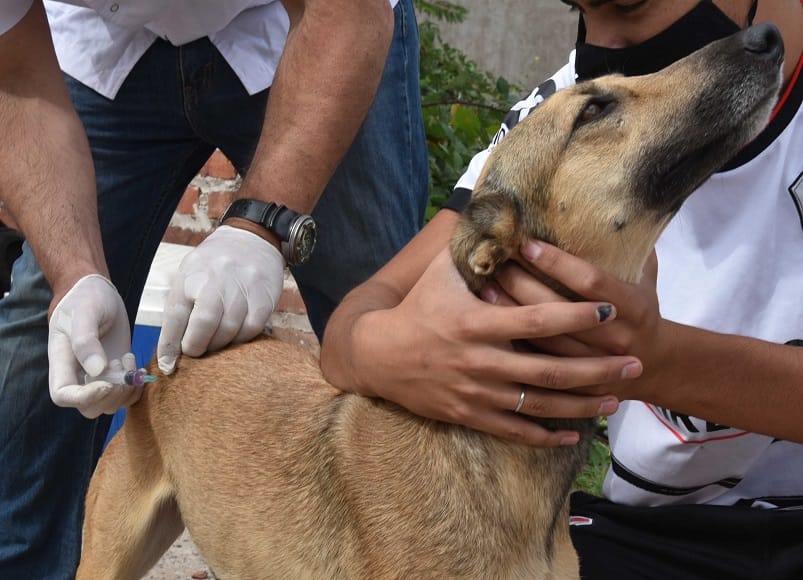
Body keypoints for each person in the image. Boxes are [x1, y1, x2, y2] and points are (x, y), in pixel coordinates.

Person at [320, 0, 803, 577]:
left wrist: (654, 361)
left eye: (631, 6)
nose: (601, 47)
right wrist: (388, 348)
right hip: (651, 534)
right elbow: (353, 325)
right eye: (581, 9)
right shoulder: (559, 107)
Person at [0, 0, 428, 576]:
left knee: (385, 325)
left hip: (306, 26)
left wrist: (261, 226)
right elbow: (16, 80)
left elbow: (345, 13)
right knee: (43, 334)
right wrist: (75, 276)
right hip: (102, 48)